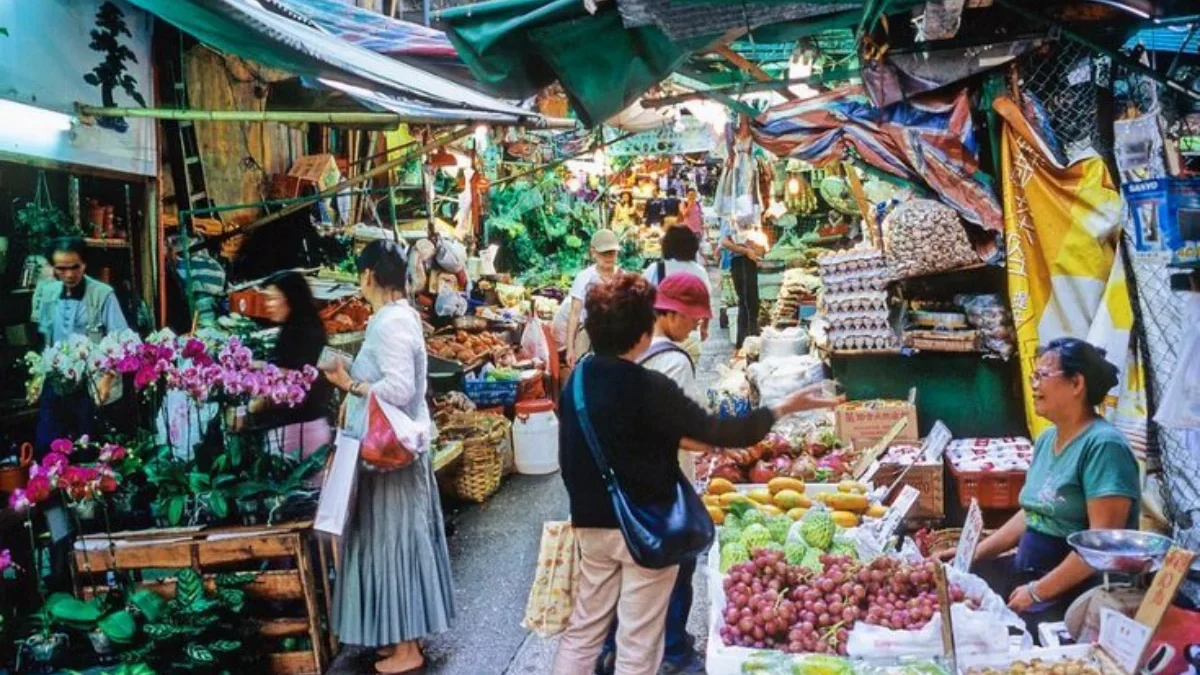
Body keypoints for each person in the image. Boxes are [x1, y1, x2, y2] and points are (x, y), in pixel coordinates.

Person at [552, 275, 842, 675]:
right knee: (638, 638)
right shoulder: (650, 386)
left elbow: (568, 454)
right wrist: (784, 407)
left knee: (584, 630)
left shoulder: (576, 384)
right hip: (648, 526)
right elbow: (722, 432)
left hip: (591, 524)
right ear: (640, 332)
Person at [938, 338, 1139, 635]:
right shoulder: (1047, 440)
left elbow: (1101, 547)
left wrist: (1038, 592)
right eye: (1034, 376)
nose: (1033, 385)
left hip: (1076, 591)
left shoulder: (1104, 446)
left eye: (1042, 376)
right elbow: (1031, 513)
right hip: (1031, 571)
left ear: (1076, 383)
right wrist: (969, 554)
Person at [322, 240, 454, 674]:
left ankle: (407, 648)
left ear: (366, 277)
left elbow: (397, 388)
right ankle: (401, 638)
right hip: (396, 453)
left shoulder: (388, 324)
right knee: (394, 542)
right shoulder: (401, 318)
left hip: (391, 456)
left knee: (396, 543)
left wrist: (349, 385)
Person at [593, 273, 715, 675]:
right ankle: (674, 652)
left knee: (627, 573)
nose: (697, 327)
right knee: (677, 565)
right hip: (659, 486)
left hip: (616, 484)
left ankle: (613, 649)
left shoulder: (621, 352)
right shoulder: (673, 363)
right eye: (694, 320)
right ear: (672, 314)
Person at [32, 236, 128, 453]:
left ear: (84, 263)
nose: (68, 274)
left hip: (91, 383)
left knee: (88, 448)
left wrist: (106, 380)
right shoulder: (48, 293)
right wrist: (38, 377)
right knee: (48, 445)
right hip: (57, 381)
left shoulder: (103, 294)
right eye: (61, 268)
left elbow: (121, 341)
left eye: (74, 267)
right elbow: (45, 339)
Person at [249, 271, 332, 460]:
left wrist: (260, 373)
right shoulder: (306, 326)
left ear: (290, 298)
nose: (268, 305)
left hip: (298, 429)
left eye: (273, 299)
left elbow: (295, 375)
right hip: (310, 425)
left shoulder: (299, 332)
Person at [643, 228, 710, 348]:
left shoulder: (655, 269)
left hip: (660, 336)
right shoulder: (699, 271)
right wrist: (704, 327)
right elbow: (705, 302)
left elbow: (643, 298)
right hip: (690, 334)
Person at [565, 229, 622, 369]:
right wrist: (570, 348)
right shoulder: (583, 278)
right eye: (604, 253)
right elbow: (574, 315)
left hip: (616, 336)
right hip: (588, 335)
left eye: (612, 253)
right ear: (593, 252)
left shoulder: (623, 277)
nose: (609, 257)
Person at [719, 218, 765, 349]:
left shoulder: (751, 215)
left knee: (752, 303)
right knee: (747, 303)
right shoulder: (733, 217)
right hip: (740, 263)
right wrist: (746, 251)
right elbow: (725, 242)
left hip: (749, 262)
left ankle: (750, 342)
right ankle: (746, 344)